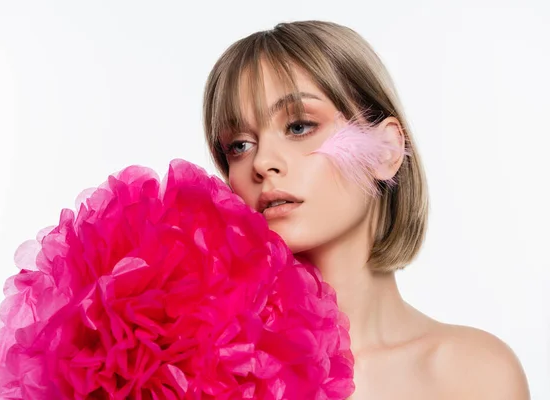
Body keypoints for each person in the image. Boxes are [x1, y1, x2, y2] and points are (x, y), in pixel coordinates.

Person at [201, 20, 530, 399]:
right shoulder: (212, 365)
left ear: (387, 151)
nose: (262, 163)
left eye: (299, 126)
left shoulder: (476, 374)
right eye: (239, 146)